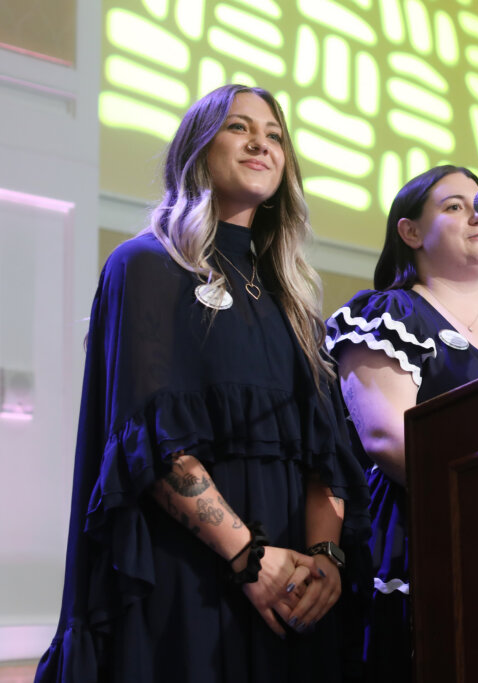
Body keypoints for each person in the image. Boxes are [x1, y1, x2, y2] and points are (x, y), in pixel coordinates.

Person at [36, 84, 369, 682]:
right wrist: (249, 558)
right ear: (197, 149)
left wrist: (324, 561)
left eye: (274, 136)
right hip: (193, 581)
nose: (260, 144)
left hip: (295, 594)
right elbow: (151, 445)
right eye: (239, 128)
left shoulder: (295, 301)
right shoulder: (145, 266)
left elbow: (329, 457)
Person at [325, 165, 478, 680]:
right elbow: (388, 438)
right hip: (426, 535)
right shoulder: (388, 317)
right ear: (410, 232)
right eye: (453, 206)